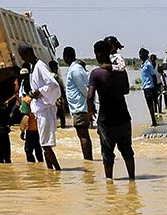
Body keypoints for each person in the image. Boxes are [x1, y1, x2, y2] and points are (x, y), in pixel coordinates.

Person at [88, 41, 136, 180]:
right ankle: (132, 180)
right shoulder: (120, 72)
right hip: (123, 117)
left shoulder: (96, 73)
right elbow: (126, 90)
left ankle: (110, 183)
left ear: (98, 54)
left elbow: (90, 96)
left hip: (106, 119)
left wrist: (90, 112)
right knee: (127, 151)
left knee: (107, 154)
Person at [21, 45, 63, 170]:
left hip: (45, 109)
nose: (22, 59)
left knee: (45, 144)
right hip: (39, 110)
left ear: (28, 54)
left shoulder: (40, 66)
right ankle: (50, 171)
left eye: (22, 56)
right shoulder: (33, 67)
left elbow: (53, 84)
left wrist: (38, 91)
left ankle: (58, 170)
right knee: (43, 143)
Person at [62, 45, 95, 161]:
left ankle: (88, 160)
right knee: (82, 134)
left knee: (83, 134)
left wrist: (91, 105)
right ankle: (88, 158)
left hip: (79, 107)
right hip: (79, 106)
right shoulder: (76, 68)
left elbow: (85, 90)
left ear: (66, 57)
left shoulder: (75, 70)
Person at [138, 48, 160, 125]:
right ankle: (153, 120)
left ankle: (154, 121)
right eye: (139, 54)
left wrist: (155, 88)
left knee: (150, 104)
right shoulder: (143, 64)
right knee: (149, 105)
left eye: (141, 54)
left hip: (150, 87)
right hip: (145, 87)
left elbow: (153, 76)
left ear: (145, 55)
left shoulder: (148, 64)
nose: (140, 56)